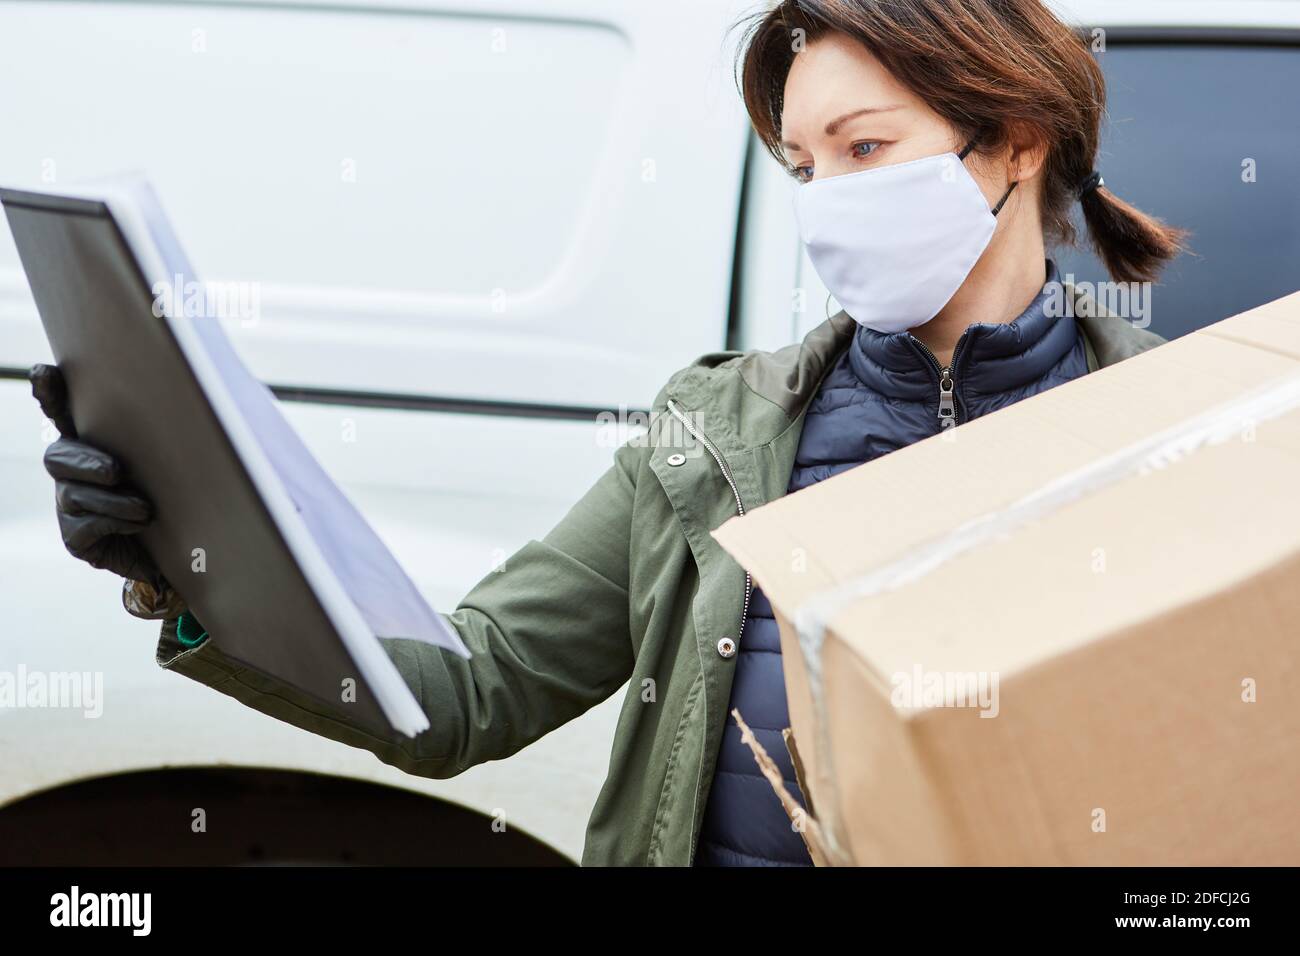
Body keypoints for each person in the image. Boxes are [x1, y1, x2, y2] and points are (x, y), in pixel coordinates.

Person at [31, 0, 1184, 866]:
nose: (823, 195)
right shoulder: (710, 436)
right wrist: (185, 553)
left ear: (1017, 141)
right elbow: (466, 690)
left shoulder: (1185, 447)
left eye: (864, 148)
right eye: (800, 163)